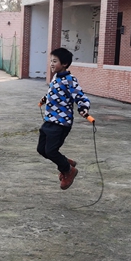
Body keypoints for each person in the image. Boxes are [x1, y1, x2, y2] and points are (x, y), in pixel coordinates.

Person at [37, 47, 91, 190]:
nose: (51, 64)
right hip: (49, 120)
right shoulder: (56, 77)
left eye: (55, 61)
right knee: (41, 149)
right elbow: (53, 92)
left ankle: (68, 170)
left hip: (61, 122)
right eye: (51, 61)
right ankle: (66, 163)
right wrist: (45, 99)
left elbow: (80, 96)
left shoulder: (70, 80)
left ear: (65, 63)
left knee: (51, 151)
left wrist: (83, 108)